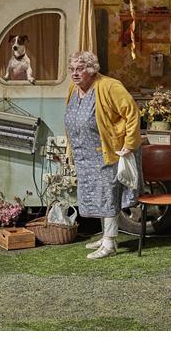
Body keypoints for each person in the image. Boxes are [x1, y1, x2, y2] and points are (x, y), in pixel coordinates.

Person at [64, 50, 143, 259]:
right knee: (99, 195)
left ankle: (110, 244)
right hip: (84, 154)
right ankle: (107, 236)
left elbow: (132, 112)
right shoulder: (74, 89)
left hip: (107, 152)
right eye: (72, 69)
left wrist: (129, 144)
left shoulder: (110, 86)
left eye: (80, 69)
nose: (74, 73)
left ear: (91, 70)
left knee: (108, 195)